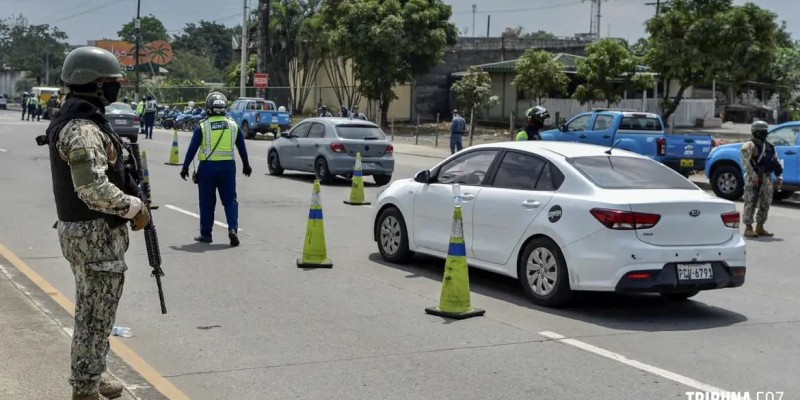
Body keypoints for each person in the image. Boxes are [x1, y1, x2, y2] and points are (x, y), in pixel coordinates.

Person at [43, 46, 150, 400]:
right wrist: (133, 207)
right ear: (98, 85)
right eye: (113, 82)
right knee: (94, 316)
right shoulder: (84, 129)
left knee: (95, 310)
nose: (116, 87)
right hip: (94, 236)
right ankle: (85, 387)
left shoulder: (74, 120)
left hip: (82, 234)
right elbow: (91, 188)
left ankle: (94, 369)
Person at [180, 92, 252, 246]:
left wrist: (185, 167)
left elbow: (192, 149)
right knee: (230, 200)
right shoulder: (233, 126)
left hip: (207, 168)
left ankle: (206, 234)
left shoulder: (202, 126)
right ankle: (232, 229)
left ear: (208, 108)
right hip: (228, 168)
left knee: (207, 202)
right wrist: (246, 165)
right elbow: (242, 148)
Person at [741, 120, 784, 238]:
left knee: (766, 202)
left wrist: (779, 176)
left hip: (767, 178)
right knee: (750, 201)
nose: (766, 134)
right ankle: (748, 228)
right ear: (756, 132)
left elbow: (776, 161)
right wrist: (753, 175)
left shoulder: (770, 147)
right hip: (753, 178)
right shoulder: (749, 145)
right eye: (763, 132)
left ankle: (760, 226)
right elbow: (745, 162)